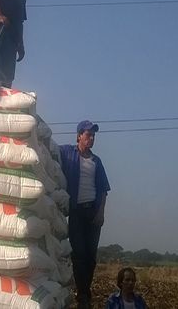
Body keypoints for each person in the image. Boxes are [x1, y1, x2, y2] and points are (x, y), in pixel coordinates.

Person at [60, 120, 110, 308]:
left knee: (90, 256)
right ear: (79, 135)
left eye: (93, 136)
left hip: (93, 213)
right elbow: (49, 149)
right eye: (88, 135)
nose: (91, 138)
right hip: (76, 212)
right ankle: (82, 295)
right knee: (79, 253)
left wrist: (101, 214)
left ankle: (84, 294)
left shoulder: (97, 161)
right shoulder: (68, 153)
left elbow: (104, 190)